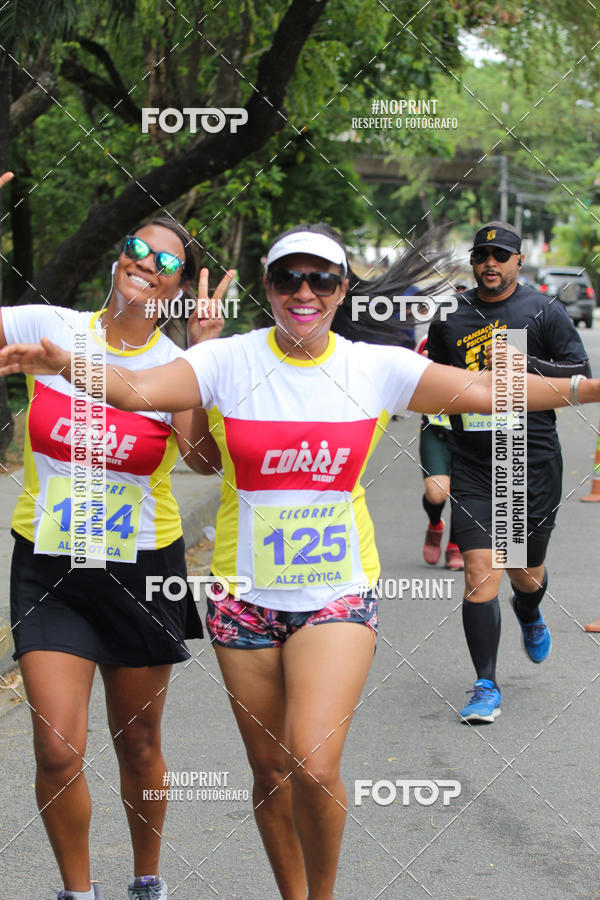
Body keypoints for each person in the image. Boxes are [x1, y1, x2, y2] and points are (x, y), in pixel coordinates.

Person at [1, 223, 597, 899]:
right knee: (270, 773)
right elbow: (138, 392)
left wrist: (589, 391)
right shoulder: (227, 362)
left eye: (321, 279)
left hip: (334, 593)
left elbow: (493, 393)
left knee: (312, 762)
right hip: (239, 598)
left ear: (343, 290)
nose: (304, 292)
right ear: (269, 288)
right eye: (289, 278)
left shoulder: (375, 368)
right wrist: (68, 362)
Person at [0, 211, 228, 900]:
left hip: (141, 570)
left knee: (138, 743)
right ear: (115, 259)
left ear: (179, 288)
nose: (146, 265)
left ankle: (146, 878)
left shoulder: (175, 363)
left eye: (165, 263)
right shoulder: (54, 327)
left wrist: (201, 360)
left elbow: (204, 459)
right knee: (57, 747)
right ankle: (79, 892)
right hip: (50, 564)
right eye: (137, 249)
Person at [427, 221, 591, 724]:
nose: (490, 264)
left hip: (528, 460)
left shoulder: (541, 310)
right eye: (482, 256)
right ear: (472, 262)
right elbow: (433, 392)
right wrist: (437, 465)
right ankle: (485, 685)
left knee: (524, 572)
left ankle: (530, 611)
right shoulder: (450, 317)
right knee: (479, 573)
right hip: (473, 462)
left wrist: (526, 367)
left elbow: (578, 374)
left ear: (519, 261)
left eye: (501, 255)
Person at [415, 334, 464, 570]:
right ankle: (435, 524)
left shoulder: (492, 339)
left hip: (474, 432)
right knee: (436, 494)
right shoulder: (429, 340)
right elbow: (408, 382)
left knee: (466, 494)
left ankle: (455, 545)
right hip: (436, 430)